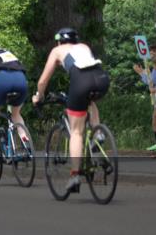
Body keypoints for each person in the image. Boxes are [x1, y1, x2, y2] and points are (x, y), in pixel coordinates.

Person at [32, 28, 111, 192]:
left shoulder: (57, 50)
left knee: (76, 132)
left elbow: (43, 81)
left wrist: (39, 96)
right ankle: (98, 134)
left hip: (81, 81)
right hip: (102, 79)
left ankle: (75, 175)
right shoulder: (84, 47)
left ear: (59, 41)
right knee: (90, 101)